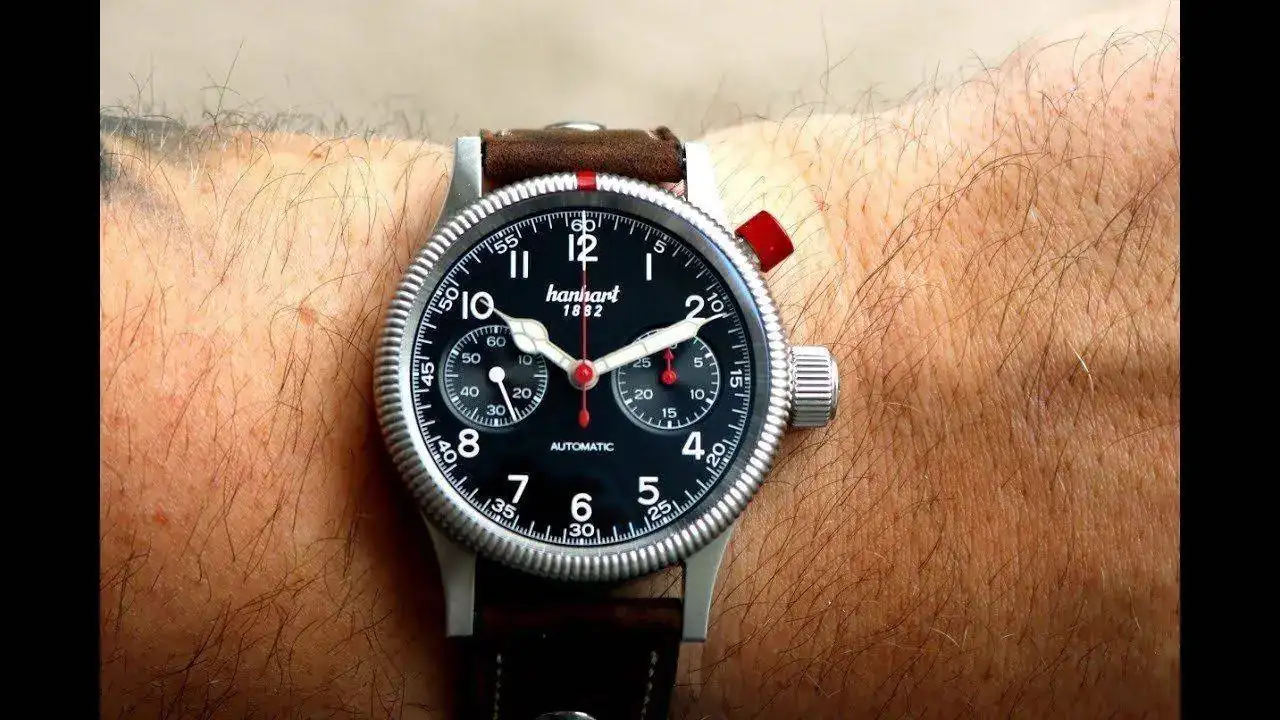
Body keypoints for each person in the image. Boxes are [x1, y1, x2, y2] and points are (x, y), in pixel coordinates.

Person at [99, 7, 1179, 718]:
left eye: (629, 368)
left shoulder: (740, 383)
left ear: (792, 390)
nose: (583, 378)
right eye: (572, 365)